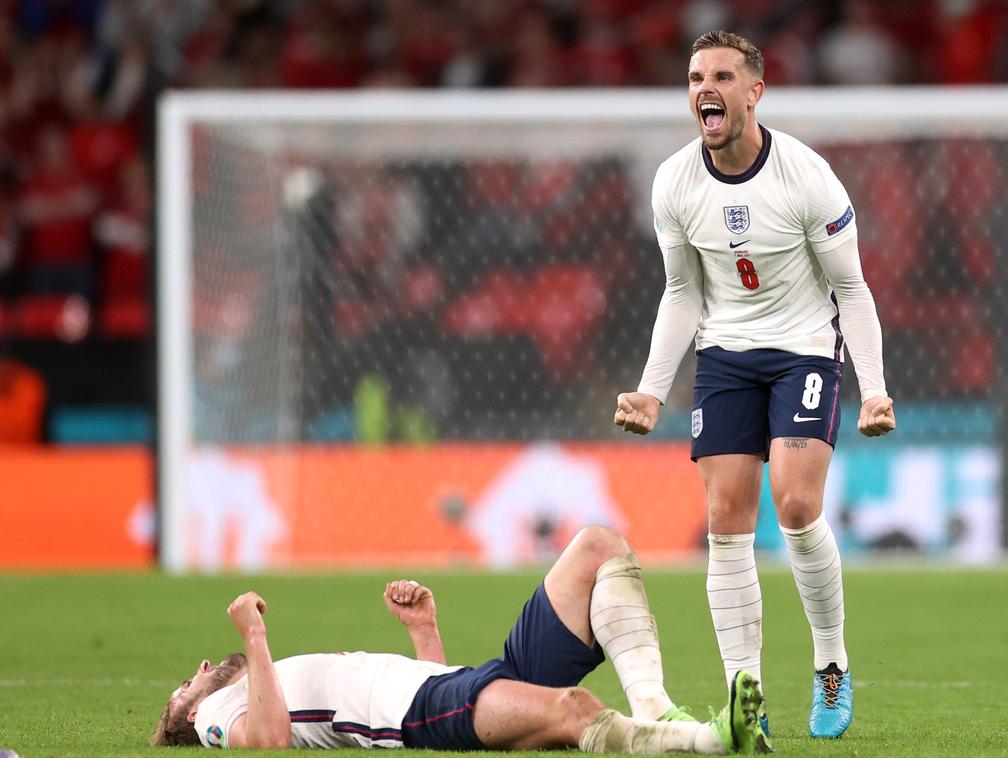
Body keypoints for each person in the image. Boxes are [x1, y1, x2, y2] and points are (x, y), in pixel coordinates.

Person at [613, 31, 896, 740]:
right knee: (725, 523)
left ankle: (831, 665)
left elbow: (852, 290)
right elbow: (682, 292)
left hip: (804, 348)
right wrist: (652, 388)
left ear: (753, 92)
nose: (705, 87)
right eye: (695, 76)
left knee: (797, 506)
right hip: (726, 356)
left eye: (721, 76)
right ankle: (748, 694)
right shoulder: (674, 182)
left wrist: (876, 387)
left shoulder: (806, 177)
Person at [150, 525, 771, 754]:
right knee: (573, 712)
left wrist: (426, 633)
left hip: (448, 688)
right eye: (185, 685)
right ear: (187, 715)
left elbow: (425, 691)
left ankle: (657, 708)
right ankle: (711, 741)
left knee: (597, 547)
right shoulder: (216, 716)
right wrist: (253, 636)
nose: (200, 669)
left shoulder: (260, 685)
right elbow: (269, 744)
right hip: (424, 715)